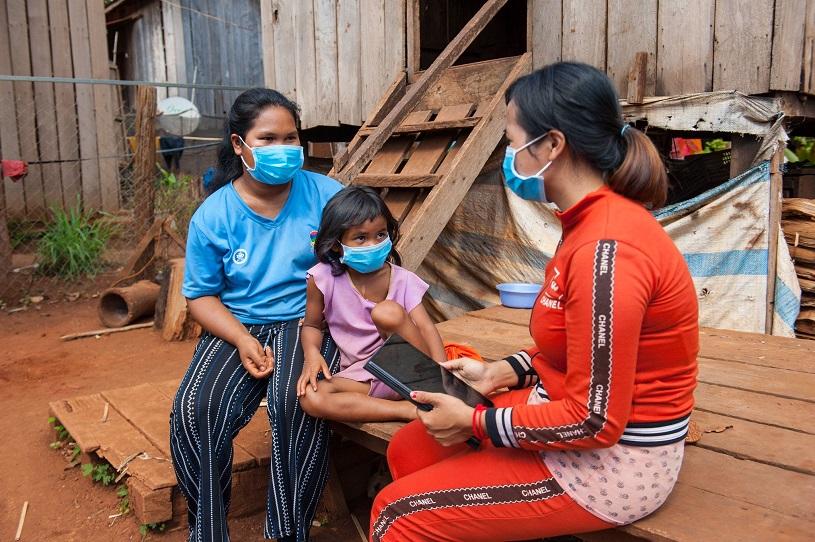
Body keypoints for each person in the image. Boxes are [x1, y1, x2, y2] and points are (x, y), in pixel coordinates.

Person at [369, 62, 699, 541]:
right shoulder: (585, 225)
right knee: (411, 450)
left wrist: (477, 420)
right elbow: (571, 348)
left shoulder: (605, 252)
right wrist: (501, 372)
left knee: (397, 515)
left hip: (612, 464)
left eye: (511, 138)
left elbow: (594, 421)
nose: (508, 153)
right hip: (565, 411)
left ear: (551, 145)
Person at [169, 88, 343, 542]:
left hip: (310, 319)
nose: (283, 150)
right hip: (239, 323)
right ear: (238, 145)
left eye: (291, 138)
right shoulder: (214, 215)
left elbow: (359, 263)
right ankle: (207, 531)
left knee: (296, 403)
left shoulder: (328, 196)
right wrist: (243, 339)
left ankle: (287, 533)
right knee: (195, 410)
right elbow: (201, 297)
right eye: (267, 139)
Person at [297, 186, 446, 423]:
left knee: (387, 312)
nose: (373, 244)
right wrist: (312, 354)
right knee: (311, 396)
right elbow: (312, 326)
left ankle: (426, 393)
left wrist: (442, 375)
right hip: (364, 376)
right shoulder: (321, 279)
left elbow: (427, 328)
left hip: (413, 372)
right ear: (337, 244)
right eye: (360, 238)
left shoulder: (403, 279)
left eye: (380, 235)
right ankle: (409, 411)